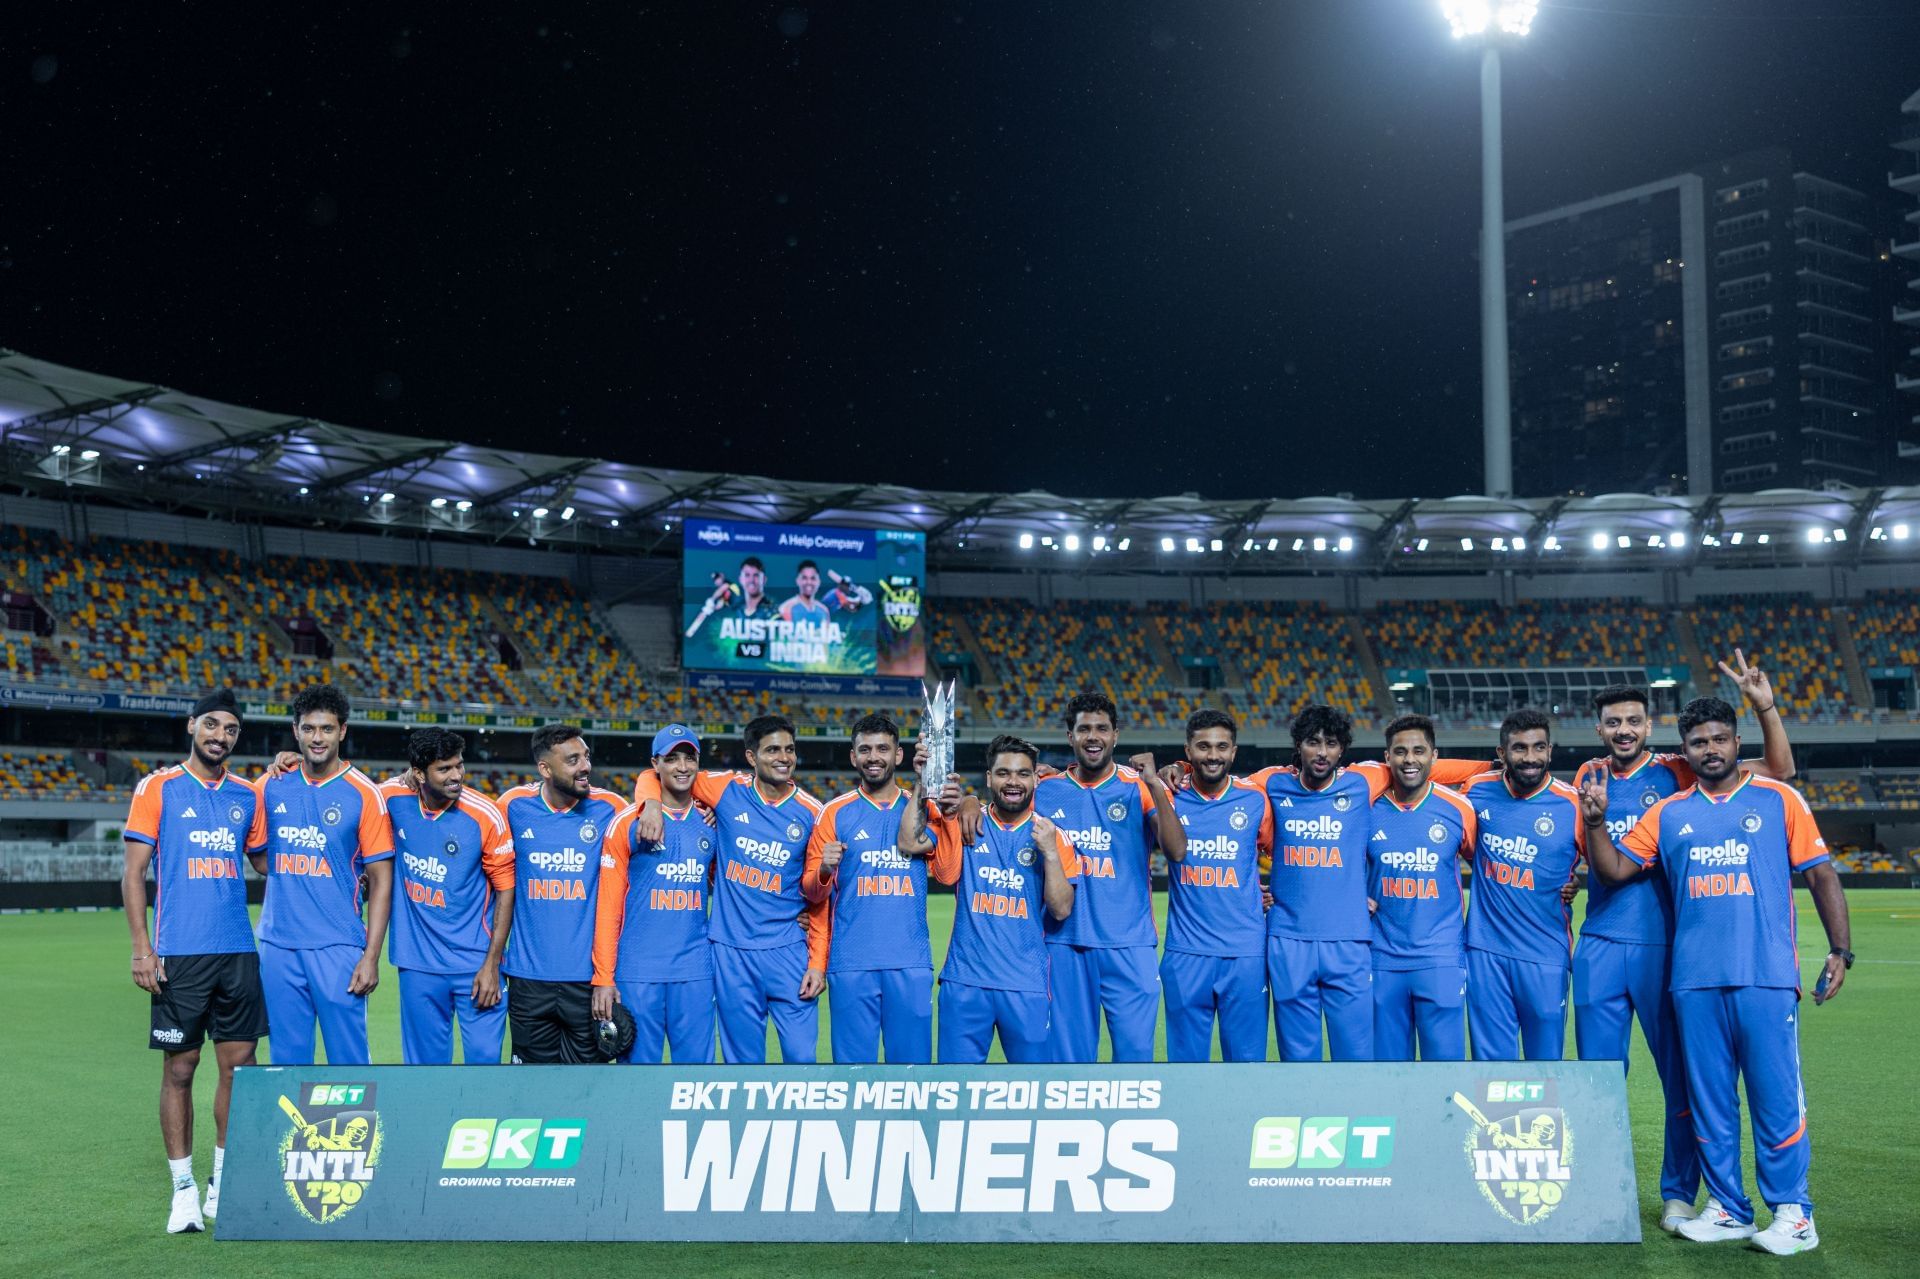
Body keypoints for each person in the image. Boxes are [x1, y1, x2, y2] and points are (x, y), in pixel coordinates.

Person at [1581, 696, 1850, 1255]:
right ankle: (1729, 1208)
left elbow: (1821, 875)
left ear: (1735, 743)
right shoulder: (1670, 812)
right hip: (1693, 981)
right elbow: (1613, 870)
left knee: (1775, 1097)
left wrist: (1840, 950)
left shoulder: (1778, 799)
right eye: (1699, 742)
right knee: (1711, 1103)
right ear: (1685, 750)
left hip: (1765, 975)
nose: (1710, 749)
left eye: (1719, 739)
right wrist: (1597, 823)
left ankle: (1794, 1214)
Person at [1572, 654, 1794, 1233]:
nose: (1623, 731)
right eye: (1613, 723)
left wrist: (1764, 707)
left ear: (1649, 726)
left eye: (1633, 721)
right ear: (1599, 729)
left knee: (1683, 1079)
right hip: (1597, 942)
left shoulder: (1679, 770)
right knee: (1597, 1078)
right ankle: (1599, 1190)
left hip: (1664, 948)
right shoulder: (1586, 776)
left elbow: (1775, 771)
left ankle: (1678, 1194)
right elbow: (1587, 848)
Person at [121, 689, 265, 1234]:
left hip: (237, 951)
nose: (220, 736)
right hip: (178, 953)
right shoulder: (157, 787)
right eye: (211, 725)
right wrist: (141, 948)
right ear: (191, 727)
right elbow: (134, 873)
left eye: (230, 729)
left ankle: (221, 1184)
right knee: (180, 1069)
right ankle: (183, 1191)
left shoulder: (249, 795)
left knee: (238, 1070)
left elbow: (264, 861)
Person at [633, 714, 828, 1062]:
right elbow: (657, 773)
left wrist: (816, 960)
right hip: (730, 952)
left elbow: (820, 897)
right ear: (752, 757)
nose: (783, 758)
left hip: (788, 952)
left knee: (802, 1061)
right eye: (772, 750)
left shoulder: (813, 813)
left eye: (789, 750)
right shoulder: (725, 790)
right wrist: (650, 803)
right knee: (742, 1065)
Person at [247, 684, 392, 1067]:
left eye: (326, 729)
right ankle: (295, 1130)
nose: (317, 738)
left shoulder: (364, 793)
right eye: (309, 729)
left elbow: (381, 880)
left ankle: (358, 1130)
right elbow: (261, 860)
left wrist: (371, 956)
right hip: (278, 945)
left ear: (342, 731)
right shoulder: (271, 785)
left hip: (338, 947)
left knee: (349, 1062)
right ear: (295, 731)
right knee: (286, 1061)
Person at [1036, 691, 1183, 1062]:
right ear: (1070, 736)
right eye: (1083, 729)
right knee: (1069, 1065)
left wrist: (1156, 786)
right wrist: (972, 800)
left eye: (1101, 728)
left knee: (1135, 1063)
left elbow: (1177, 851)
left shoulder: (1139, 786)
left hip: (1129, 945)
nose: (1093, 736)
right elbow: (1000, 810)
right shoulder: (1045, 790)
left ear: (1115, 734)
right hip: (1065, 944)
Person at [801, 714, 954, 1064]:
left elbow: (945, 873)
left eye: (883, 748)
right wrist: (825, 869)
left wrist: (939, 796)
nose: (874, 757)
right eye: (865, 749)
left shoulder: (925, 808)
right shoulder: (833, 813)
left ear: (898, 755)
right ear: (853, 757)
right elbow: (812, 893)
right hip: (850, 964)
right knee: (854, 1077)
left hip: (910, 963)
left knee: (911, 1075)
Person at [929, 735, 1079, 1063]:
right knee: (956, 1092)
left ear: (1036, 779)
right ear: (988, 778)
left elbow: (1062, 908)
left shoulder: (1053, 836)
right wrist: (965, 804)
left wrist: (1050, 854)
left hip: (1026, 985)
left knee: (1031, 1093)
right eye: (1003, 773)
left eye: (1023, 773)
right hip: (964, 983)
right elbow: (943, 875)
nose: (1013, 781)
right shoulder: (970, 822)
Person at [1457, 708, 1585, 1062]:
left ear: (1550, 749)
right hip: (1485, 951)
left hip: (1545, 954)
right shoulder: (1475, 791)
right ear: (1501, 754)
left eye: (1538, 747)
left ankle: (1539, 1122)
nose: (1530, 758)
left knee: (1545, 1066)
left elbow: (1608, 865)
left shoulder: (1571, 803)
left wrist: (1575, 879)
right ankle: (1496, 1122)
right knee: (1491, 1067)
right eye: (1519, 748)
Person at [381, 728, 515, 1065]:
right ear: (418, 774)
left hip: (475, 964)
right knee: (425, 1072)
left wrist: (492, 965)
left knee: (484, 1066)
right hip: (417, 964)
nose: (456, 775)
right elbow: (345, 787)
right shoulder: (390, 799)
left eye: (459, 765)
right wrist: (293, 763)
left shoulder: (485, 815)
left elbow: (506, 889)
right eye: (444, 769)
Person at [591, 724, 719, 1063]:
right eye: (671, 758)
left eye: (689, 758)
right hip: (638, 971)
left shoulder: (712, 823)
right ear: (655, 764)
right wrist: (603, 977)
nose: (681, 766)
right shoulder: (627, 824)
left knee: (696, 1081)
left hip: (695, 970)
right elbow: (608, 908)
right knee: (637, 1077)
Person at [498, 723, 625, 1063]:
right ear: (545, 769)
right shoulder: (512, 805)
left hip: (587, 982)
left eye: (586, 757)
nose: (585, 766)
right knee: (529, 1088)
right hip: (527, 978)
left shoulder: (611, 808)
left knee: (587, 1089)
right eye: (572, 760)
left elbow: (658, 815)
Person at [1161, 709, 1271, 1062]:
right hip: (1186, 953)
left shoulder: (1255, 797)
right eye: (1203, 746)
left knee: (1247, 1063)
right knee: (1185, 1065)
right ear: (1188, 750)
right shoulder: (1167, 794)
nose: (1213, 755)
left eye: (1221, 747)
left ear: (1234, 752)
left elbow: (1288, 854)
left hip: (1245, 952)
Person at [1365, 713, 1477, 1061]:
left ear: (1434, 756)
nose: (1409, 759)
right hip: (1380, 959)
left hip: (1441, 958)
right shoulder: (1365, 809)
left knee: (1444, 1075)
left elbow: (1489, 869)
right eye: (1400, 751)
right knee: (1386, 1075)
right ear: (1387, 758)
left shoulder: (1459, 809)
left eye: (1418, 751)